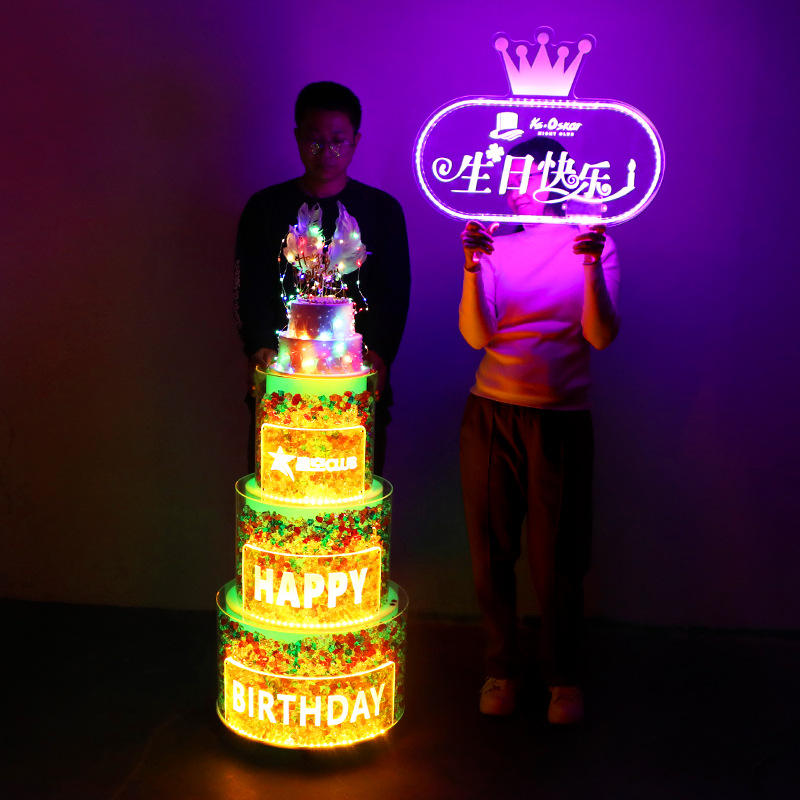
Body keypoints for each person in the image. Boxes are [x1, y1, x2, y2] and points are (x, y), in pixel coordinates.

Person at [458, 136, 620, 724]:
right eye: (509, 178)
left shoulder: (593, 242)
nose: (517, 190)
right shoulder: (495, 245)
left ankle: (562, 676)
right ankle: (501, 668)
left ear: (560, 180)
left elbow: (600, 335)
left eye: (529, 177)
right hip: (492, 410)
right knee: (491, 550)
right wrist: (473, 267)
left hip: (561, 418)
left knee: (559, 557)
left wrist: (590, 267)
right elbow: (477, 336)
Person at [234, 81, 411, 474]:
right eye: (315, 140)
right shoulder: (265, 207)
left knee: (349, 480)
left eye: (337, 141)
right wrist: (257, 346)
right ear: (298, 138)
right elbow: (249, 288)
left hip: (355, 380)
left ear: (355, 141)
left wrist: (380, 353)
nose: (326, 152)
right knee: (282, 478)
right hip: (283, 379)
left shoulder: (381, 210)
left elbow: (395, 292)